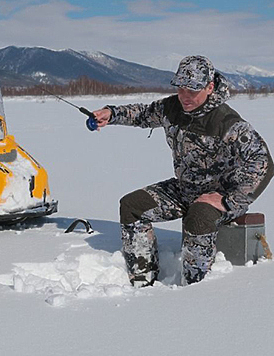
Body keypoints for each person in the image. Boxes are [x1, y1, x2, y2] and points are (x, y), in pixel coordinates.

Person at [92, 55, 273, 286]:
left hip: (218, 198)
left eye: (193, 90)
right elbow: (144, 113)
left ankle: (193, 293)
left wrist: (230, 200)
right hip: (184, 188)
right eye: (181, 89)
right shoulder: (172, 108)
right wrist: (112, 113)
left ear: (210, 87)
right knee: (131, 206)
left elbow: (263, 161)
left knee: (197, 219)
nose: (185, 96)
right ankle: (142, 280)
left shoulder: (228, 123)